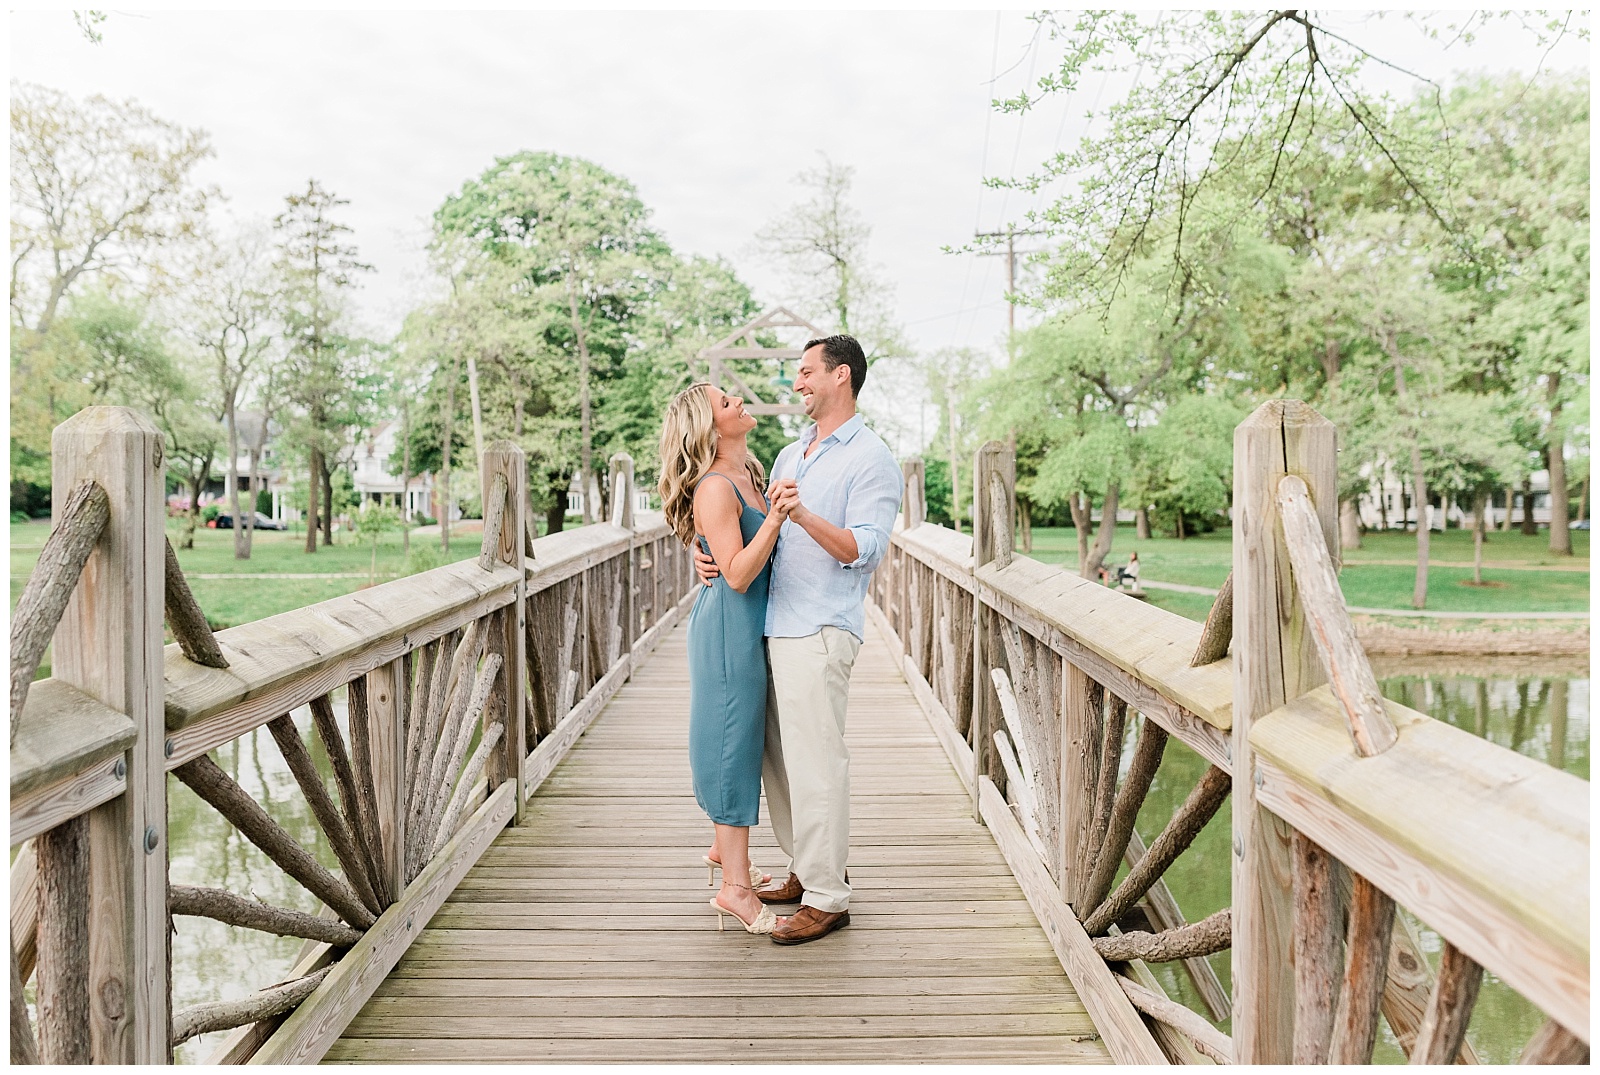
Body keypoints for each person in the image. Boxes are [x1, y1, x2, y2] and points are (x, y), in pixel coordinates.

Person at [693, 335, 903, 945]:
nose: (797, 383)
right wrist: (702, 556)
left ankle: (829, 896)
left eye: (807, 373)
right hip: (770, 629)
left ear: (842, 376)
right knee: (781, 768)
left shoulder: (870, 459)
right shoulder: (788, 454)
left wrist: (805, 515)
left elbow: (864, 553)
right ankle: (806, 871)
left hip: (818, 629)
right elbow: (736, 518)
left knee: (817, 766)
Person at [658, 382, 791, 934]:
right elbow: (736, 575)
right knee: (731, 744)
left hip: (750, 628)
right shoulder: (714, 487)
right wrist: (778, 520)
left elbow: (729, 551)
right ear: (709, 428)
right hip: (727, 630)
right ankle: (734, 890)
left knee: (743, 738)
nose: (738, 400)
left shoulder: (750, 474)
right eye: (724, 402)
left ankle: (724, 847)